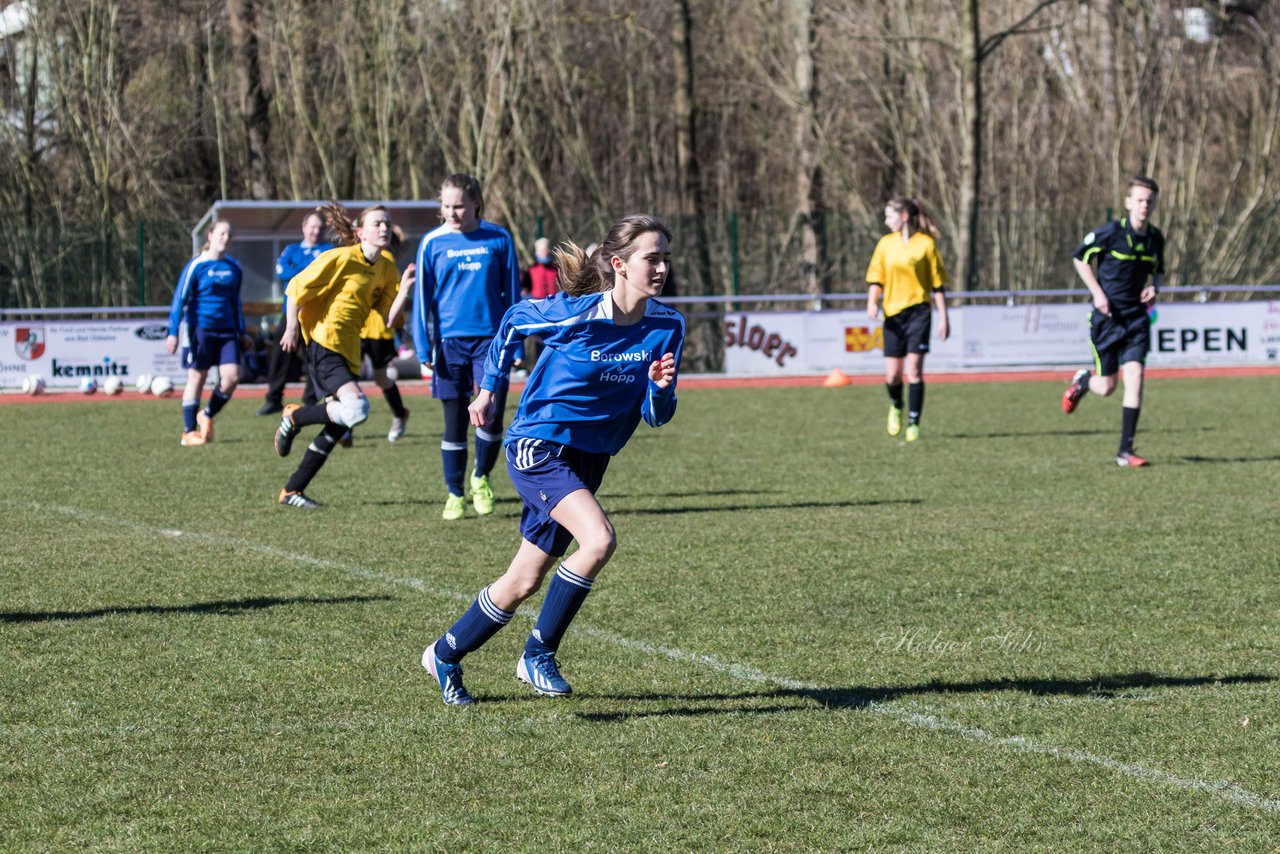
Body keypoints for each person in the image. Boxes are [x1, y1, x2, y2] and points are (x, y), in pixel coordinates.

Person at [421, 214, 684, 705]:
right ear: (619, 265)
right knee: (599, 539)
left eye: (666, 258)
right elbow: (514, 321)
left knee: (523, 580)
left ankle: (444, 654)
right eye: (652, 257)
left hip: (590, 460)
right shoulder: (577, 314)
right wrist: (488, 392)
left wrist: (662, 389)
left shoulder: (668, 326)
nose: (662, 267)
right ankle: (538, 653)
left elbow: (655, 415)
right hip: (537, 446)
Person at [271, 202, 413, 508]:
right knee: (357, 409)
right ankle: (295, 415)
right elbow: (296, 288)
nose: (384, 228)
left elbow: (390, 319)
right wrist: (291, 328)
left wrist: (404, 292)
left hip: (349, 350)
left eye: (387, 224)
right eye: (377, 223)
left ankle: (292, 490)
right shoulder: (340, 257)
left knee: (341, 422)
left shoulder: (388, 268)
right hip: (324, 343)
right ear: (360, 232)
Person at [410, 173, 521, 521]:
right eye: (445, 206)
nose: (451, 212)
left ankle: (481, 477)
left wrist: (515, 345)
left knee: (489, 417)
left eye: (458, 205)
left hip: (492, 341)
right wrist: (422, 345)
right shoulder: (432, 242)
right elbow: (422, 300)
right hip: (448, 345)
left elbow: (513, 297)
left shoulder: (499, 238)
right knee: (454, 423)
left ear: (475, 203)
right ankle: (455, 492)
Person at [1062, 176, 1165, 467]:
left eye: (1150, 201)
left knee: (1136, 377)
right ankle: (1084, 380)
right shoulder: (1110, 233)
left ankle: (1125, 451)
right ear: (1129, 202)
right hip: (1107, 320)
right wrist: (1097, 293)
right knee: (1107, 387)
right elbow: (1079, 257)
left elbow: (1160, 271)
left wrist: (1156, 288)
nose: (1145, 205)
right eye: (1140, 200)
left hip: (1136, 320)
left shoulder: (1156, 239)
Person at [864, 197, 950, 442]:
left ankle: (914, 422)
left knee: (914, 371)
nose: (885, 220)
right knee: (892, 375)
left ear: (904, 217)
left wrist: (944, 317)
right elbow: (876, 277)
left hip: (919, 312)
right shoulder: (885, 244)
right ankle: (896, 405)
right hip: (892, 315)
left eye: (889, 215)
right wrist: (872, 302)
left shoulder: (926, 245)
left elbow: (938, 285)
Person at [166, 220, 254, 446]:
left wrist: (242, 332)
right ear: (211, 235)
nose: (226, 238)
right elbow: (179, 299)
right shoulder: (197, 265)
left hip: (226, 332)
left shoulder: (234, 267)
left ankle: (206, 415)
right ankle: (188, 432)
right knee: (198, 376)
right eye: (222, 233)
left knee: (232, 377)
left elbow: (235, 303)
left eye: (229, 235)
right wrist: (173, 331)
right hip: (200, 330)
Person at [259, 212, 333, 415]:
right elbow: (282, 272)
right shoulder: (291, 250)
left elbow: (327, 277)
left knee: (314, 358)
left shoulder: (329, 250)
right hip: (291, 312)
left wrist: (300, 272)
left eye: (320, 227)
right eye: (312, 226)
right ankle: (273, 398)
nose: (316, 231)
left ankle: (309, 401)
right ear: (304, 227)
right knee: (281, 355)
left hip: (317, 315)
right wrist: (311, 271)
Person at [519, 236, 560, 366]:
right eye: (542, 250)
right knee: (538, 343)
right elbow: (525, 290)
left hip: (555, 308)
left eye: (547, 249)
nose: (545, 252)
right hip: (538, 310)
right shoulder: (531, 270)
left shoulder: (557, 269)